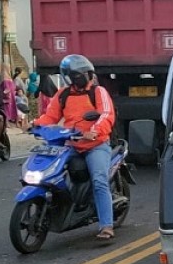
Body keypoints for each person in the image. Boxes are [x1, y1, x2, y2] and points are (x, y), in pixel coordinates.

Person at [34, 54, 118, 240]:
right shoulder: (63, 94)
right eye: (81, 74)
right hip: (71, 144)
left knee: (99, 181)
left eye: (86, 74)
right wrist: (36, 125)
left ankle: (106, 225)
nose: (86, 77)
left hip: (96, 144)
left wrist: (94, 131)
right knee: (50, 172)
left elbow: (106, 115)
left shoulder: (98, 92)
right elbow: (51, 117)